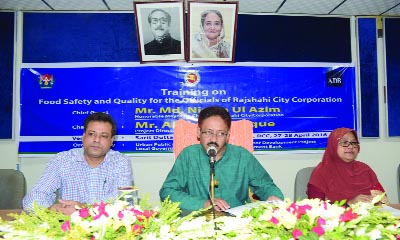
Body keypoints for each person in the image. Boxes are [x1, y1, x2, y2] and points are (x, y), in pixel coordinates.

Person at [159, 106, 283, 212]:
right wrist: (204, 204)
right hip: (198, 221)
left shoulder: (242, 156)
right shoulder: (188, 156)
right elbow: (167, 192)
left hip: (238, 223)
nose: (213, 139)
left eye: (220, 133)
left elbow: (266, 186)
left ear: (228, 136)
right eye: (208, 132)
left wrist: (273, 197)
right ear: (198, 132)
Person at [23, 112, 133, 215]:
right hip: (67, 228)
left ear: (112, 140)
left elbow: (124, 201)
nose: (96, 140)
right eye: (91, 134)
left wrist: (84, 209)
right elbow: (33, 198)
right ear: (83, 136)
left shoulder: (121, 162)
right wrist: (52, 210)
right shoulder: (62, 160)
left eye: (103, 136)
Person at [307, 127, 389, 205]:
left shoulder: (364, 169)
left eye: (354, 143)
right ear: (333, 145)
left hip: (370, 217)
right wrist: (349, 203)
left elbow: (381, 197)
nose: (350, 147)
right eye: (344, 142)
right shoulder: (321, 173)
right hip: (336, 219)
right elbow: (316, 209)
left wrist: (380, 200)